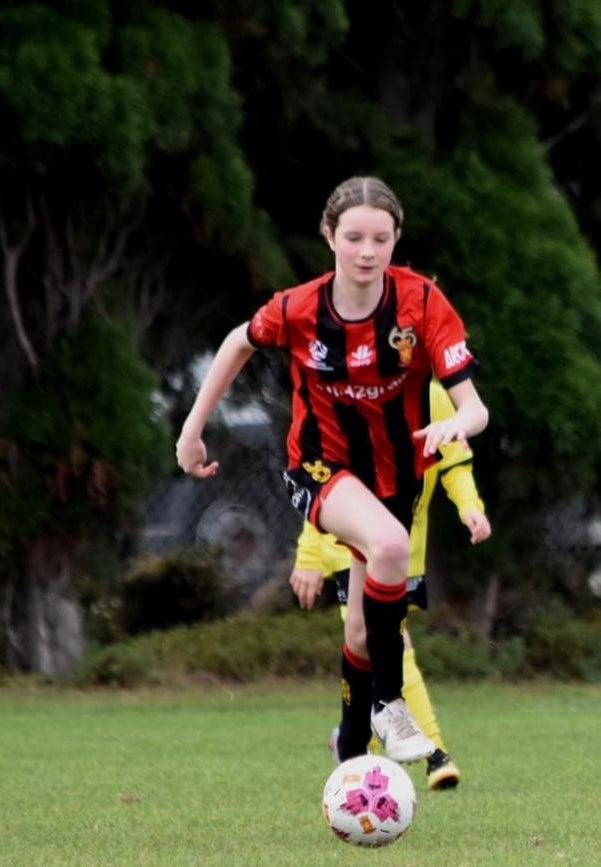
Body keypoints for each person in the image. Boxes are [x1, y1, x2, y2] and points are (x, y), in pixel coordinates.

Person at [176, 176, 489, 764]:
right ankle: (390, 707)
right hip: (319, 467)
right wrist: (193, 428)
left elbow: (474, 405)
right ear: (329, 237)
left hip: (396, 479)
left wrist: (459, 423)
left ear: (397, 239)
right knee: (392, 546)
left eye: (380, 238)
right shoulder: (298, 308)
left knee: (361, 630)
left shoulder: (421, 303)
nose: (367, 252)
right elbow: (237, 342)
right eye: (353, 238)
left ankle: (349, 747)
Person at [289, 379, 492, 789]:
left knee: (373, 645)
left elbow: (454, 464)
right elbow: (323, 487)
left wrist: (471, 508)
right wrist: (309, 557)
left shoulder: (434, 396)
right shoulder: (348, 394)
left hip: (403, 550)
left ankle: (352, 743)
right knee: (392, 640)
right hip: (346, 549)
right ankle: (434, 751)